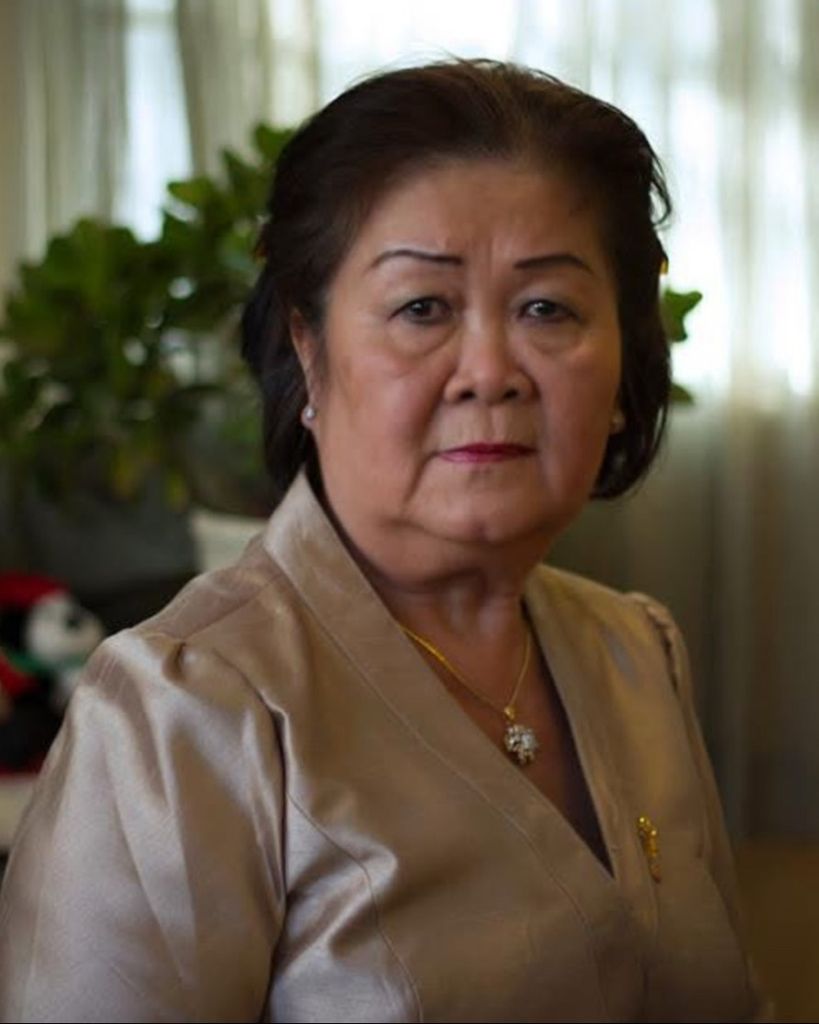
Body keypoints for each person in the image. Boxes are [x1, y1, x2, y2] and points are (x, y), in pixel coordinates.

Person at [0, 59, 771, 1022]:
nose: (488, 370)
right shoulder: (183, 708)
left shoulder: (637, 650)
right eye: (421, 308)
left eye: (546, 308)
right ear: (308, 351)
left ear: (623, 367)